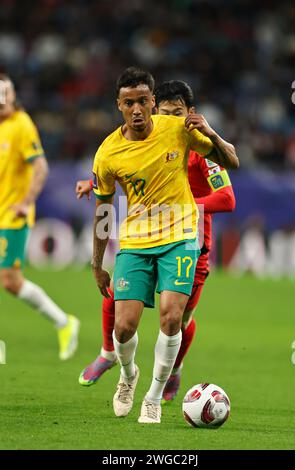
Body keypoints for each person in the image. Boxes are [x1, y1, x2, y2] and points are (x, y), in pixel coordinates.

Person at [88, 67, 238, 424]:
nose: (137, 109)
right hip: (137, 240)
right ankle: (127, 376)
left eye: (143, 101)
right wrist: (96, 263)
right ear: (119, 105)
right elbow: (104, 208)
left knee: (172, 319)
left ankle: (153, 397)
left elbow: (230, 161)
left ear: (152, 102)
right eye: (129, 103)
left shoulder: (176, 130)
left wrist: (210, 132)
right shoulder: (108, 152)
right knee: (124, 326)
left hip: (182, 238)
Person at [0, 74, 80, 360]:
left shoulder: (21, 125)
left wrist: (26, 202)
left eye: (4, 95)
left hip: (12, 216)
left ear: (12, 96)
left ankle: (64, 322)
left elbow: (41, 167)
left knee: (10, 280)